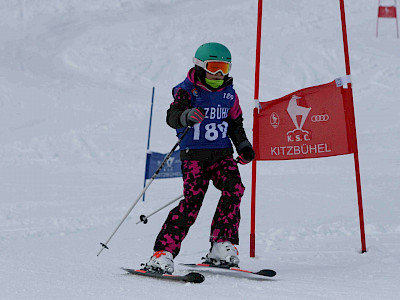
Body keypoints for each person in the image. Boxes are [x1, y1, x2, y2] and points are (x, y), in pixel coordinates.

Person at [144, 42, 255, 274]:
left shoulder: (229, 94)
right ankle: (162, 253)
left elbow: (235, 124)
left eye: (224, 68)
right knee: (192, 202)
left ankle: (221, 244)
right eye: (214, 67)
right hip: (194, 156)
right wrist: (185, 115)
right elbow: (172, 117)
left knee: (235, 189)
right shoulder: (186, 90)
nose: (218, 74)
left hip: (221, 155)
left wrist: (243, 146)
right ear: (200, 66)